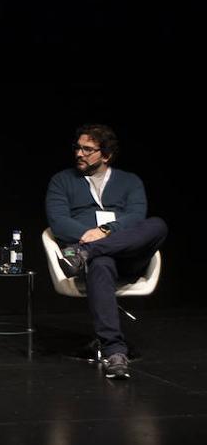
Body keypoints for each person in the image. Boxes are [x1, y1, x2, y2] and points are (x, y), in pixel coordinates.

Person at [46, 124, 168, 379]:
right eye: (77, 147)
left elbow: (136, 217)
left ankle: (85, 253)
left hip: (127, 257)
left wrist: (104, 233)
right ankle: (115, 352)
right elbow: (58, 221)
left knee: (157, 225)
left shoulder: (129, 181)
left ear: (106, 155)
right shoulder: (62, 180)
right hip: (98, 262)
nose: (79, 153)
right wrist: (89, 237)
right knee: (101, 263)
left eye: (87, 149)